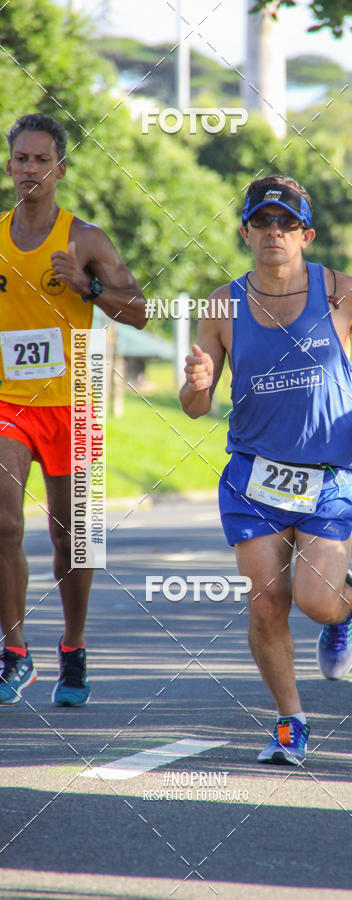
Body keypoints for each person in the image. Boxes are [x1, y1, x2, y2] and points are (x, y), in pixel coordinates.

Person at [180, 175, 352, 765]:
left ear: (306, 235)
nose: (273, 232)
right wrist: (197, 384)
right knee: (266, 602)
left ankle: (343, 611)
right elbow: (196, 406)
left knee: (315, 600)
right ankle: (289, 720)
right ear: (245, 233)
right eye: (262, 222)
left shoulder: (341, 291)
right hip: (254, 476)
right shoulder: (222, 305)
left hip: (328, 473)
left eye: (286, 223)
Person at [0, 113, 147, 706]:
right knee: (5, 523)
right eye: (21, 159)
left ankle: (74, 646)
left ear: (60, 169)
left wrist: (89, 288)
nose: (30, 169)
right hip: (10, 399)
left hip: (76, 397)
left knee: (73, 540)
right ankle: (15, 652)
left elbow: (140, 311)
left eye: (42, 160)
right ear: (9, 166)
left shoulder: (85, 239)